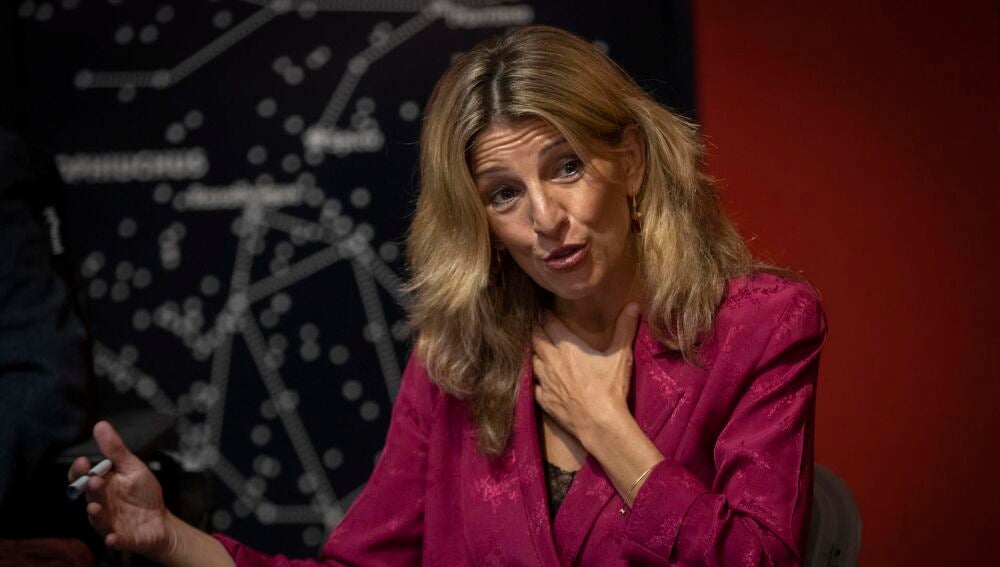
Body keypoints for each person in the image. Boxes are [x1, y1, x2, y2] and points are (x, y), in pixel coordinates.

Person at [69, 25, 826, 566]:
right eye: (504, 193)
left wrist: (607, 427)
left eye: (566, 167)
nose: (545, 220)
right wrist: (173, 539)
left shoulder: (758, 326)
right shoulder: (457, 359)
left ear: (628, 162)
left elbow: (759, 557)